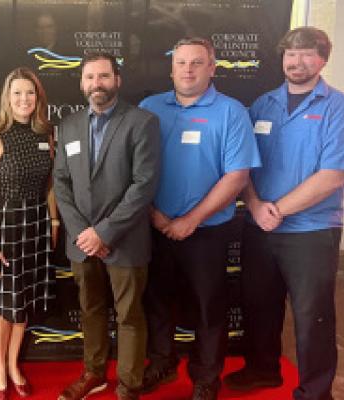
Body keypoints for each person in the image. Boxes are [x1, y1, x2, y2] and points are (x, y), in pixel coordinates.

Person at [223, 27, 344, 400]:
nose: (297, 62)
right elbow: (243, 165)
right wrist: (256, 205)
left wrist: (276, 210)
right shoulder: (263, 105)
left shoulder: (337, 107)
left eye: (307, 54)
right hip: (259, 225)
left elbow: (331, 176)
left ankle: (315, 390)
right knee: (259, 305)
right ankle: (263, 370)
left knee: (312, 317)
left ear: (323, 58)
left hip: (311, 230)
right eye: (291, 54)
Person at [138, 37, 260, 400]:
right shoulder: (149, 108)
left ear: (212, 68)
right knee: (156, 302)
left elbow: (237, 176)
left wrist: (191, 219)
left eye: (196, 63)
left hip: (208, 232)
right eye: (181, 63)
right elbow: (132, 169)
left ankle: (206, 375)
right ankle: (160, 361)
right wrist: (154, 215)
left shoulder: (231, 112)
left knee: (209, 308)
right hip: (155, 227)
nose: (187, 70)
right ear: (171, 68)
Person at [54, 53, 160, 400]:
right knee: (91, 309)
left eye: (103, 76)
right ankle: (93, 373)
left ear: (117, 79)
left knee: (129, 315)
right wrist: (84, 233)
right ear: (82, 83)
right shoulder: (68, 125)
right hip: (81, 242)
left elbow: (144, 184)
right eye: (89, 78)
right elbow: (62, 183)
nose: (95, 84)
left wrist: (105, 232)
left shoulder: (142, 122)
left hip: (125, 240)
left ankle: (129, 385)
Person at [0, 67, 58, 400]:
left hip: (35, 223)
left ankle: (13, 365)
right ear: (8, 99)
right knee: (3, 304)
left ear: (38, 98)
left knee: (21, 303)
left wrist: (53, 223)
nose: (24, 99)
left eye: (30, 93)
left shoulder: (46, 134)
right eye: (17, 93)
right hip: (4, 225)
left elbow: (49, 186)